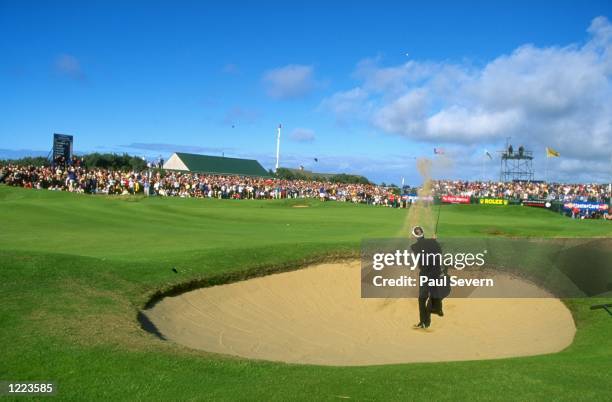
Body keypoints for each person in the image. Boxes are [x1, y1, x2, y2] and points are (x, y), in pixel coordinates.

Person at [411, 226, 446, 329]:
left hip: (425, 274)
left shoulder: (414, 247)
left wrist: (433, 241)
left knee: (422, 298)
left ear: (414, 236)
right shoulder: (433, 242)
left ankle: (424, 322)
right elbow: (439, 252)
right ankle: (435, 311)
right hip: (435, 272)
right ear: (423, 233)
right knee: (432, 294)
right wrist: (434, 241)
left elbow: (421, 249)